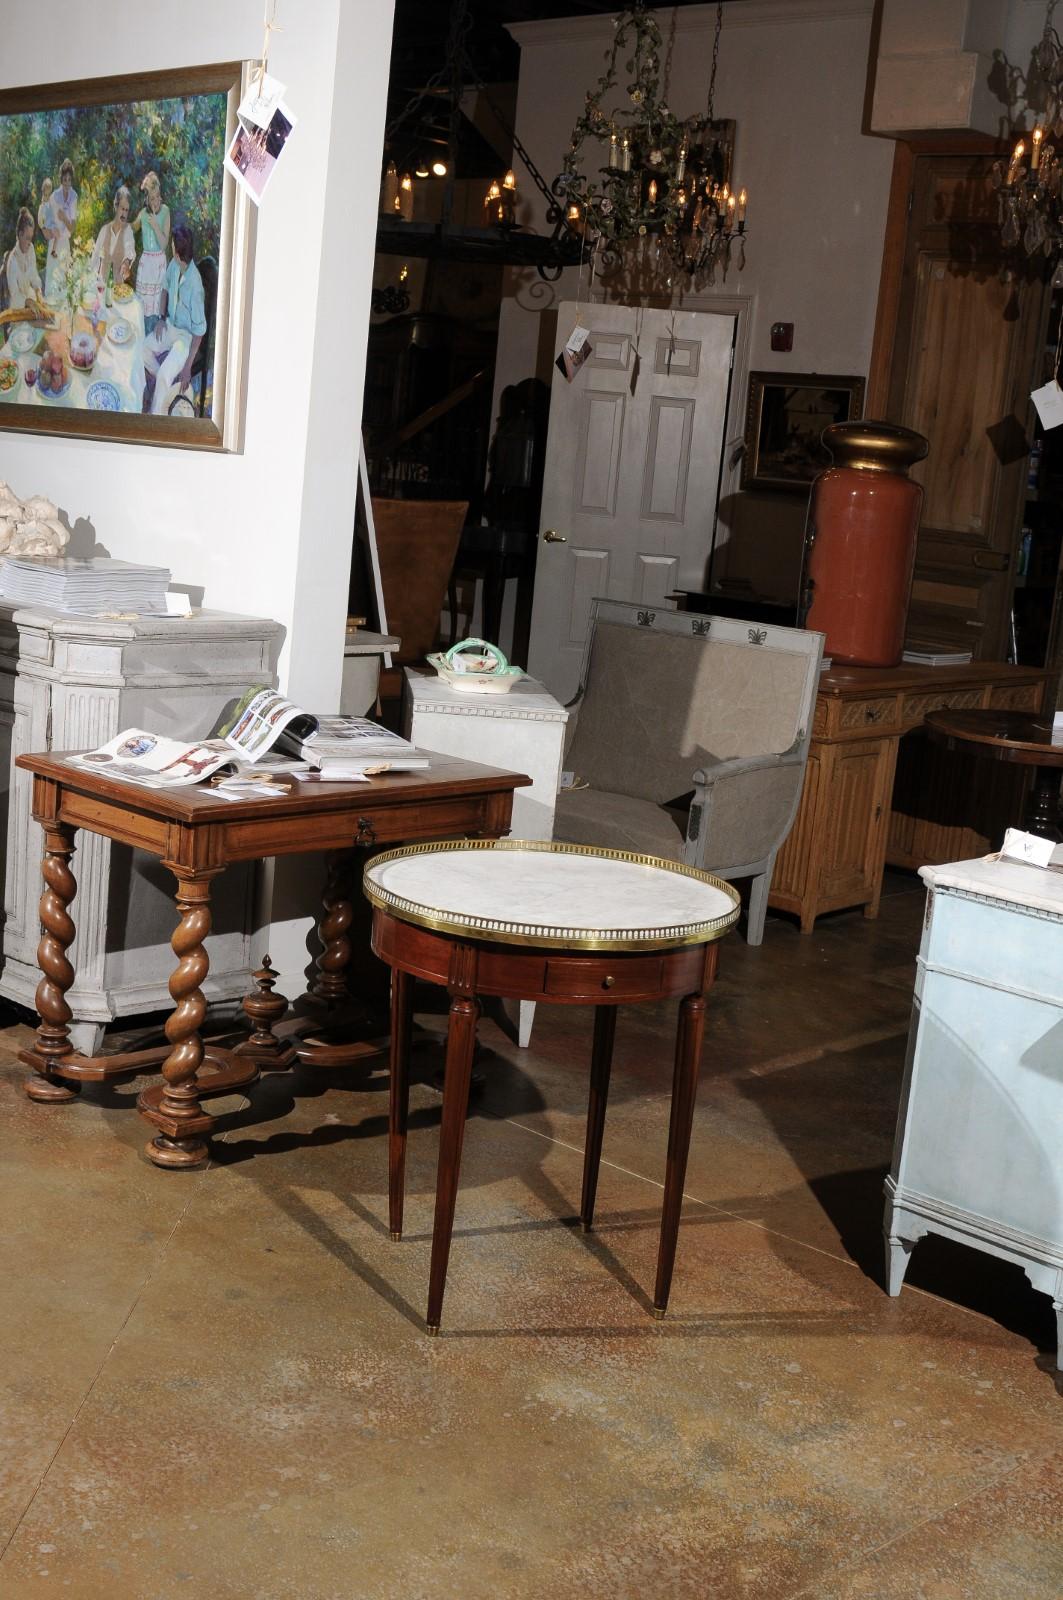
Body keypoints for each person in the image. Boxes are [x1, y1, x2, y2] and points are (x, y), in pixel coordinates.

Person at [142, 223, 206, 415]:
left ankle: (155, 418)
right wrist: (161, 318)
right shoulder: (174, 265)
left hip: (184, 339)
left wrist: (187, 366)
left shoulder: (196, 287)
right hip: (170, 326)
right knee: (142, 350)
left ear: (178, 254)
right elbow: (165, 289)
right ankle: (164, 386)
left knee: (163, 375)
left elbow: (199, 333)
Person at [133, 170, 170, 331]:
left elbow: (163, 244)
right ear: (146, 199)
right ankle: (141, 338)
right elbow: (132, 228)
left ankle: (153, 338)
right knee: (142, 309)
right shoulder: (143, 214)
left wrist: (155, 226)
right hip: (146, 263)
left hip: (158, 264)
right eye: (151, 198)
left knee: (155, 309)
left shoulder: (165, 212)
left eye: (157, 196)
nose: (155, 201)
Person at [90, 186, 135, 294]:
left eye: (126, 210)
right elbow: (95, 258)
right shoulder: (104, 230)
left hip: (118, 291)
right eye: (122, 208)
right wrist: (91, 281)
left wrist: (126, 262)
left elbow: (130, 250)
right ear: (116, 206)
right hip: (101, 288)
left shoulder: (127, 231)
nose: (124, 213)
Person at [5, 208, 42, 310]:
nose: (30, 242)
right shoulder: (12, 261)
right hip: (18, 309)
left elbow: (34, 276)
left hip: (32, 303)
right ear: (20, 235)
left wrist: (38, 291)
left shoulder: (31, 250)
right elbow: (15, 294)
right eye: (27, 238)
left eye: (31, 238)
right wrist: (27, 301)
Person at [52, 158, 78, 285]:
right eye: (64, 180)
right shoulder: (55, 196)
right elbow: (49, 222)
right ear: (61, 180)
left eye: (69, 180)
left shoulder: (74, 196)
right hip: (54, 243)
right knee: (54, 281)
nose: (67, 183)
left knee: (65, 282)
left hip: (65, 243)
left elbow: (72, 228)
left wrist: (64, 218)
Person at [37, 178, 59, 299]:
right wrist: (44, 227)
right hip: (48, 225)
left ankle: (54, 250)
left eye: (49, 189)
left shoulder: (51, 200)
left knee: (57, 234)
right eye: (46, 189)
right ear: (44, 189)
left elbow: (55, 212)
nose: (48, 191)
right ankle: (50, 293)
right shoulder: (43, 203)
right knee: (55, 234)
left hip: (52, 223)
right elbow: (41, 219)